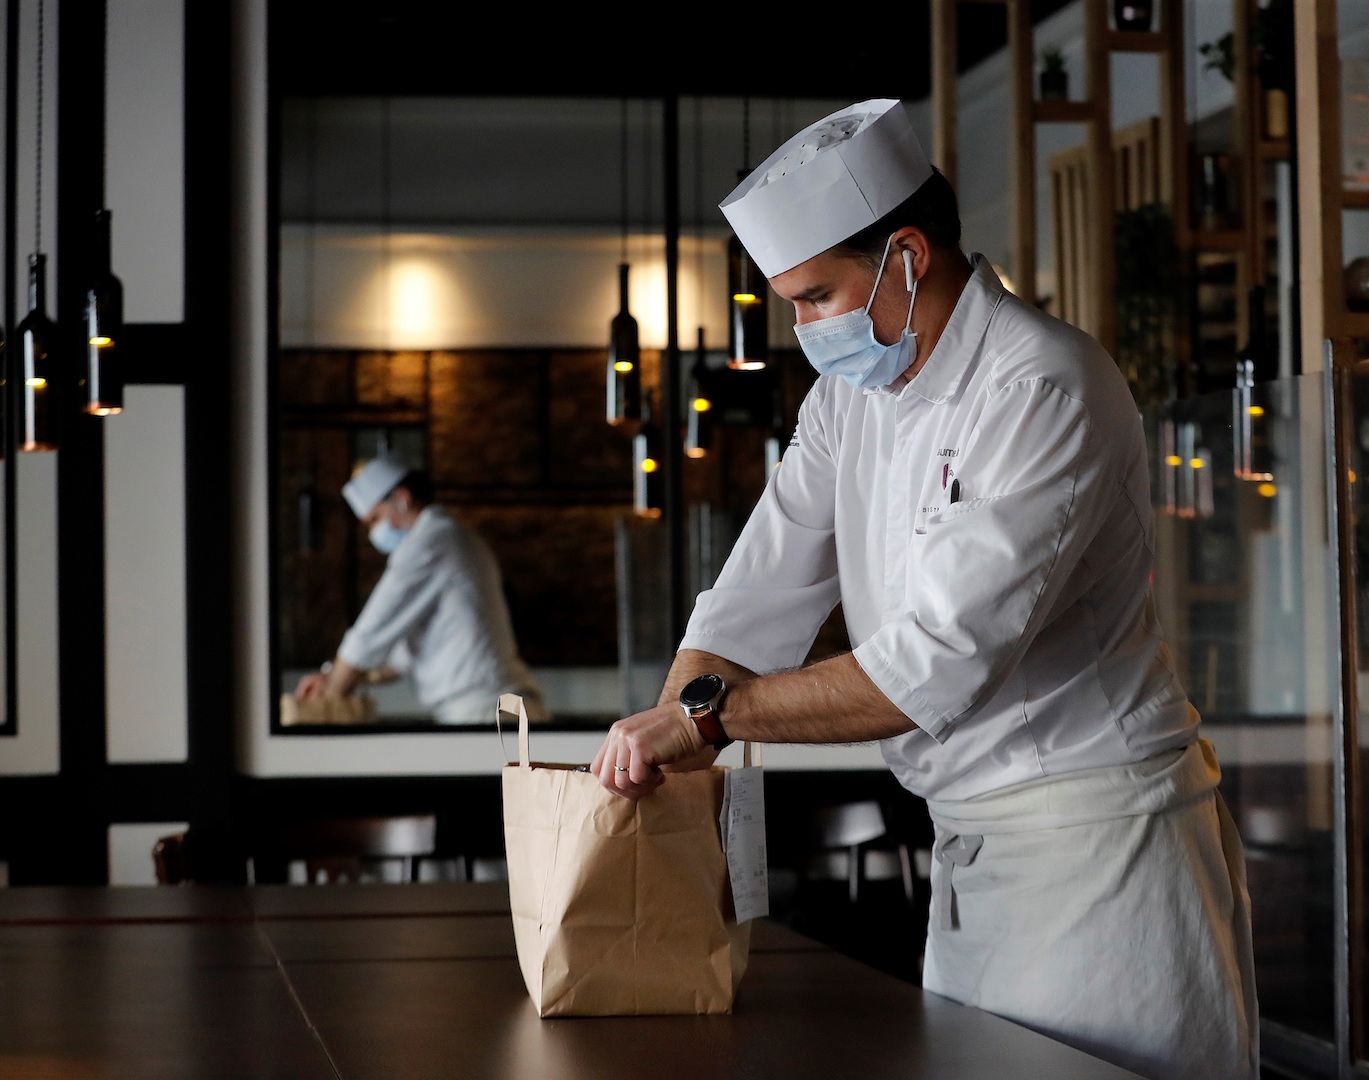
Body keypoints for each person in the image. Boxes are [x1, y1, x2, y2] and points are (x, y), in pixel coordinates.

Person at [586, 99, 1256, 1080]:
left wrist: (706, 724)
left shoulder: (1042, 384)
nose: (807, 329)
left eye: (816, 297)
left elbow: (931, 672)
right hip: (966, 859)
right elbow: (747, 605)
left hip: (1099, 853)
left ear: (905, 254)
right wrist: (670, 741)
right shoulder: (846, 403)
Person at [295, 450, 549, 725]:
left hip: (484, 710)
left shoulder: (431, 541)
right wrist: (333, 674)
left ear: (403, 499)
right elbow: (400, 659)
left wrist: (330, 697)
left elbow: (370, 634)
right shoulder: (455, 536)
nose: (373, 534)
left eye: (375, 519)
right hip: (492, 708)